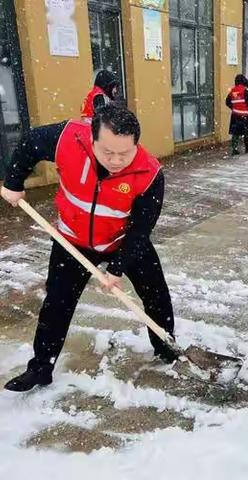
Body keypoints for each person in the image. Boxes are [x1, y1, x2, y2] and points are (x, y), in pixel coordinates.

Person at [0, 104, 176, 392]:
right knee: (57, 303)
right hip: (73, 240)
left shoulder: (149, 173)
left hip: (122, 240)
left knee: (156, 294)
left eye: (124, 153)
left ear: (136, 144)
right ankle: (41, 367)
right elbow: (30, 142)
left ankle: (167, 347)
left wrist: (118, 267)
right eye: (107, 152)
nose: (116, 160)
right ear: (92, 138)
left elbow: (142, 229)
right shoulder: (68, 139)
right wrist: (14, 181)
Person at [225, 74, 248, 156]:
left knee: (235, 133)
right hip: (245, 115)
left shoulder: (232, 91)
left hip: (235, 116)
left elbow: (227, 102)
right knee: (247, 132)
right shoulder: (245, 90)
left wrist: (234, 108)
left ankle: (234, 149)